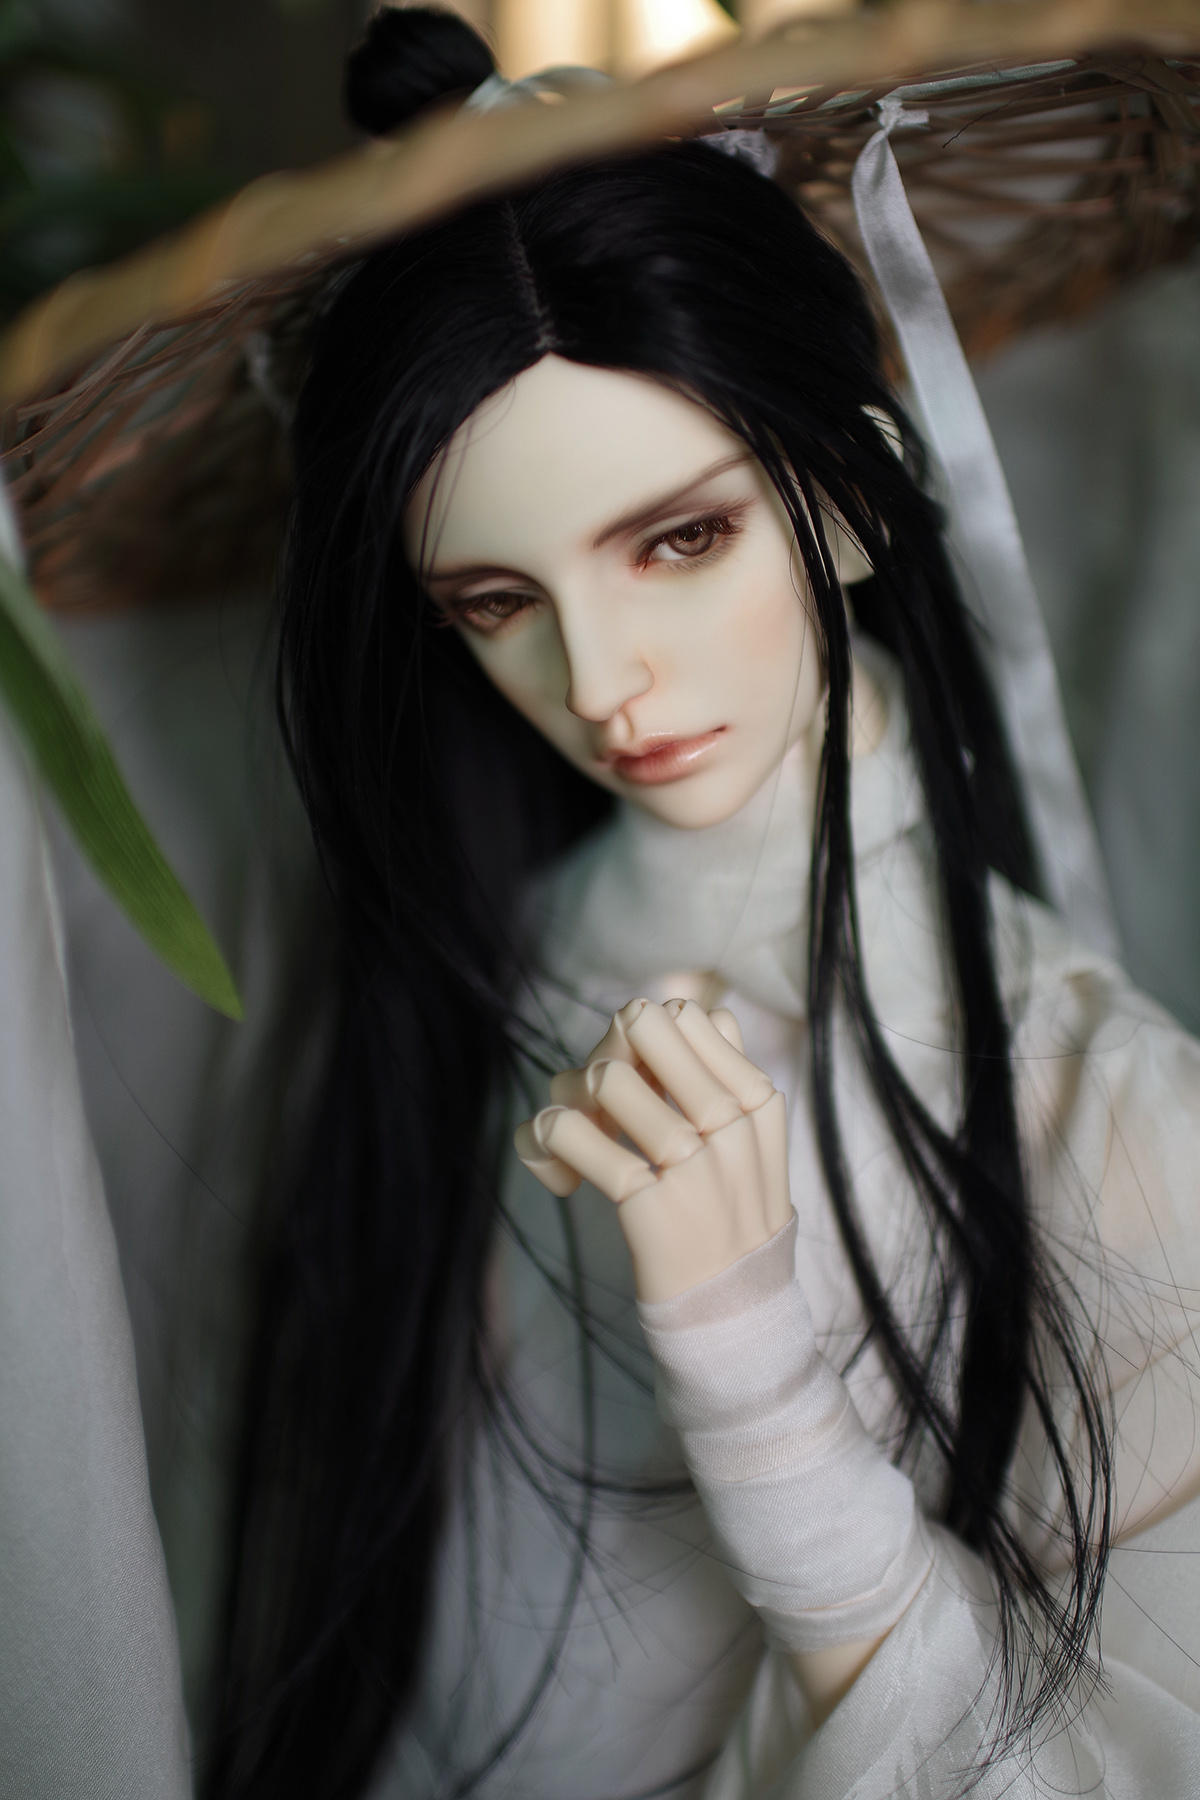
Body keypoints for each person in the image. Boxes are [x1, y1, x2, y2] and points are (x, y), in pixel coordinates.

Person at [2, 8, 1198, 1798]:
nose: (603, 680)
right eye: (495, 602)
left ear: (848, 501)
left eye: (682, 539)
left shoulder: (1102, 1108)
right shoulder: (482, 967)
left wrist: (754, 1374)